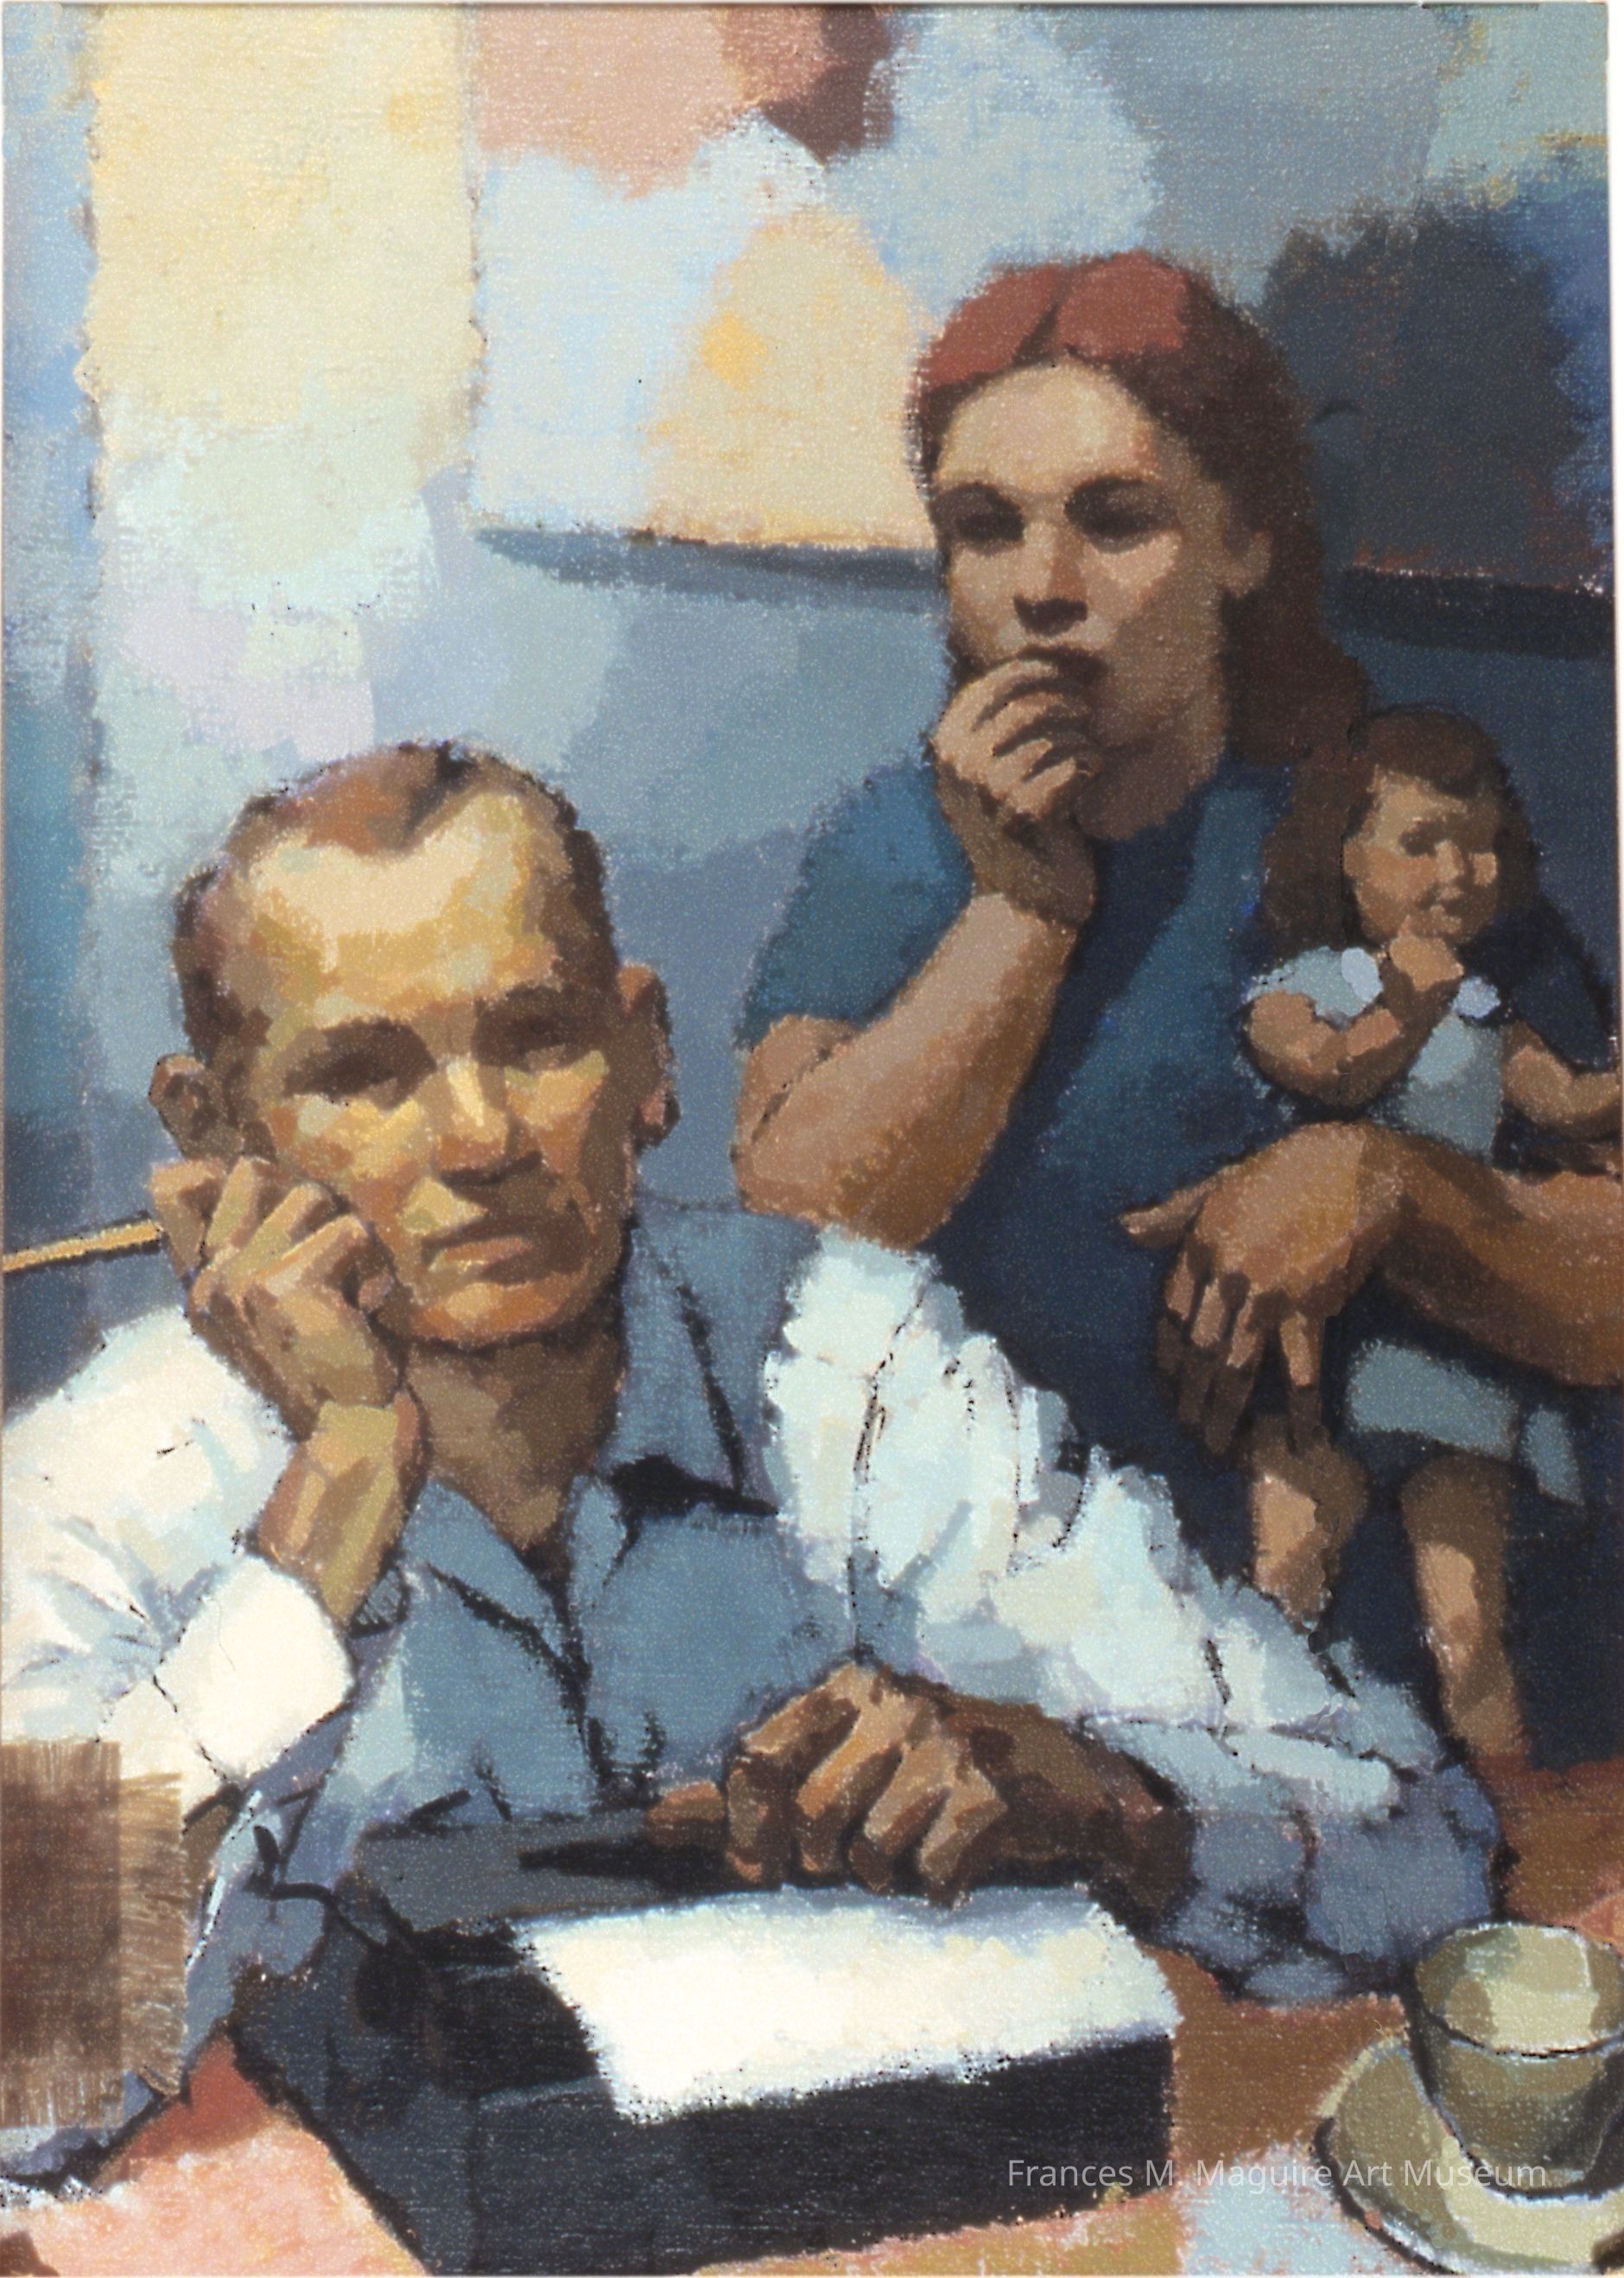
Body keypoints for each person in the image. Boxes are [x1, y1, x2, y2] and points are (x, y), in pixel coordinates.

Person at [3, 742, 1494, 2181]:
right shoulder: (95, 1478)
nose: (477, 1139)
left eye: (536, 1037)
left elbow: (1422, 1853)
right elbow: (18, 2088)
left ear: (646, 1056)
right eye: (364, 1075)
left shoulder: (845, 1355)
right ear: (215, 1135)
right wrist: (332, 1495)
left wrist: (1103, 1800)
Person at [733, 253, 1621, 1568]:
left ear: (1243, 540)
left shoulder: (1383, 829)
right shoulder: (897, 849)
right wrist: (1023, 911)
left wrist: (1391, 1189)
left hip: (1374, 1612)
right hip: (993, 1603)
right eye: (985, 527)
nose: (1042, 584)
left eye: (1114, 520)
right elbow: (790, 1221)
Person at [1239, 707, 1621, 1760]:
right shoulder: (1303, 987)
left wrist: (1606, 1092)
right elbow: (1327, 1076)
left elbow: (1559, 1102)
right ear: (1344, 856)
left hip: (1455, 1346)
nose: (1457, 872)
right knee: (1284, 1584)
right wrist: (1403, 1006)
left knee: (1465, 1626)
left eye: (1480, 845)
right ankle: (1265, 1792)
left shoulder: (1487, 1008)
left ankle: (1507, 1815)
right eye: (1421, 843)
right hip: (1330, 1335)